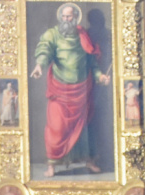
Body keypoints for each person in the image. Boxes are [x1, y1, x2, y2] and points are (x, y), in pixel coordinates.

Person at [30, 3, 110, 176]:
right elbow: (44, 50)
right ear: (60, 17)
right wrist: (39, 66)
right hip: (60, 90)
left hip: (81, 91)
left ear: (75, 18)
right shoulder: (52, 34)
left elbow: (91, 63)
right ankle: (51, 164)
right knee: (56, 127)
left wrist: (100, 76)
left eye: (70, 17)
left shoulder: (83, 36)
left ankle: (88, 161)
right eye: (64, 17)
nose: (67, 19)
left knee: (84, 130)